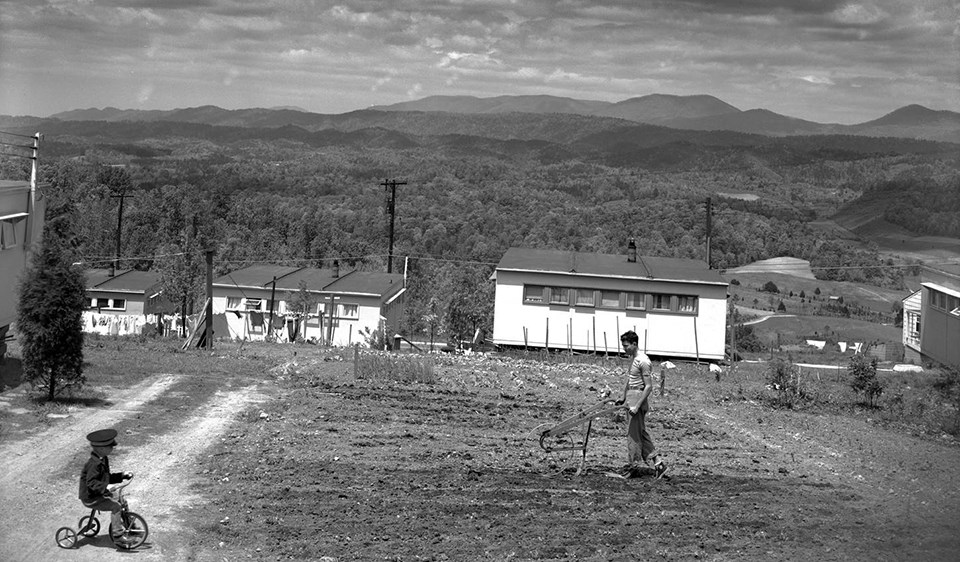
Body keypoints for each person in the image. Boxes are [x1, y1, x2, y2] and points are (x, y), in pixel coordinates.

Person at [617, 331, 667, 479]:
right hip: (632, 397)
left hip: (638, 399)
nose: (624, 349)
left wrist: (637, 406)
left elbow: (648, 387)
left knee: (633, 435)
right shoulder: (634, 359)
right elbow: (630, 380)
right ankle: (659, 464)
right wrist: (623, 396)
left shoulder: (643, 361)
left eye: (626, 346)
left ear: (634, 344)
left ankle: (634, 467)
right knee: (640, 433)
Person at [78, 428, 132, 539]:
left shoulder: (103, 459)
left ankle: (129, 525)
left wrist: (122, 475)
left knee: (121, 500)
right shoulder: (94, 464)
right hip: (91, 498)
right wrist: (106, 487)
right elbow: (91, 483)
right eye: (110, 447)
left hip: (99, 493)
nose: (112, 448)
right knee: (116, 506)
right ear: (102, 448)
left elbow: (106, 477)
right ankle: (118, 536)